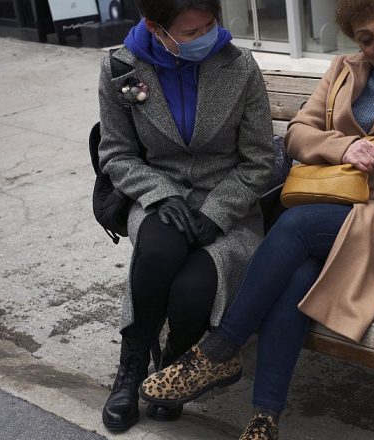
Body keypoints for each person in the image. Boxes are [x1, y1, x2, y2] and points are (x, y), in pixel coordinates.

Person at [139, 0, 374, 438]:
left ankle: (220, 349)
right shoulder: (342, 70)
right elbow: (297, 133)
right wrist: (342, 148)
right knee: (297, 278)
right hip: (335, 205)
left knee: (295, 226)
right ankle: (264, 419)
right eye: (366, 39)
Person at [97, 0, 275, 433]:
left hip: (229, 201)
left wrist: (217, 213)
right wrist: (158, 194)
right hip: (161, 197)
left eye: (210, 26)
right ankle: (133, 366)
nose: (206, 38)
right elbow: (115, 154)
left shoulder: (240, 66)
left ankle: (173, 367)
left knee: (195, 289)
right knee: (158, 251)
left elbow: (260, 161)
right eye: (191, 33)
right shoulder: (121, 67)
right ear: (157, 29)